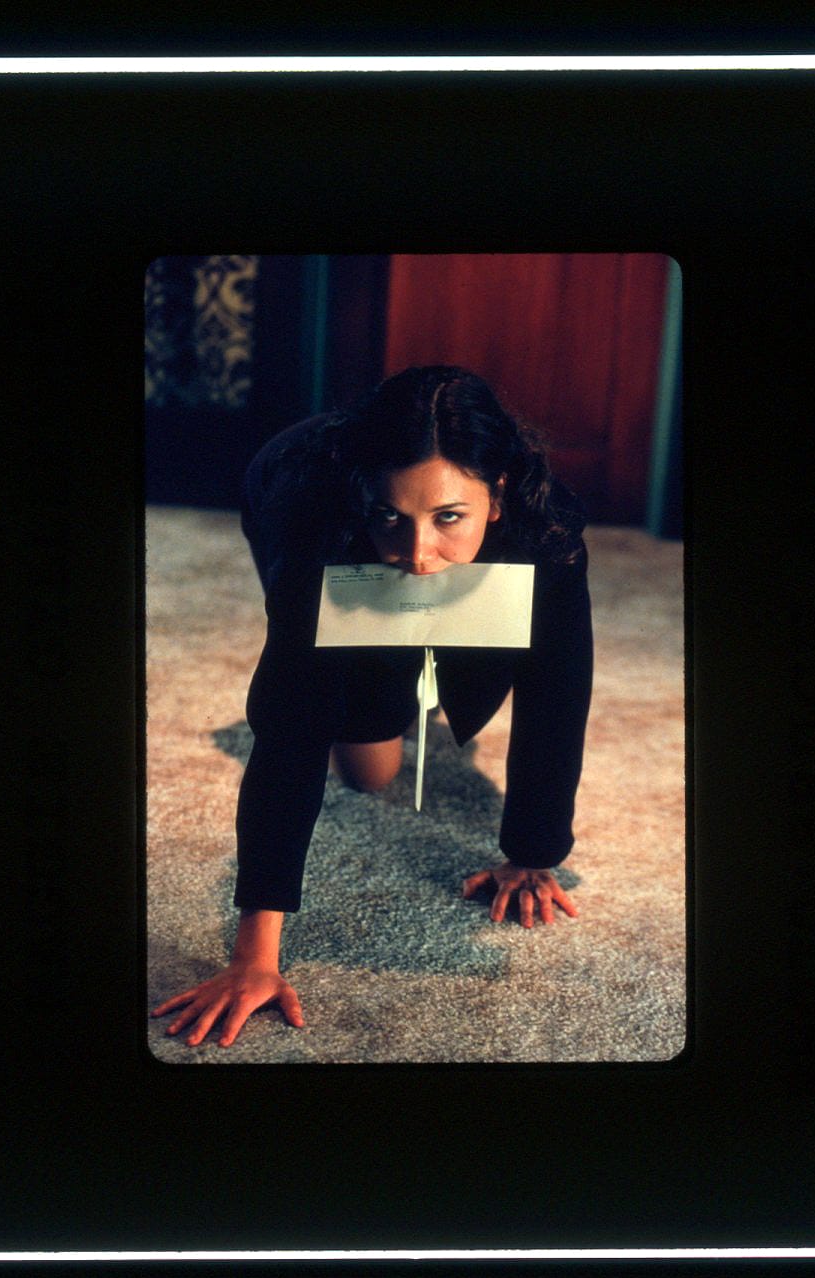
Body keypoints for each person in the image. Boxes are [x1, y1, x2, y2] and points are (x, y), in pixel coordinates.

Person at [151, 366, 593, 1047]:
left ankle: (413, 646)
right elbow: (291, 727)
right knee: (369, 771)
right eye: (393, 517)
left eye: (448, 518)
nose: (417, 554)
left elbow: (557, 694)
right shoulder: (310, 514)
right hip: (292, 490)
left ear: (499, 495)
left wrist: (534, 852)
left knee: (461, 659)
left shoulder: (548, 523)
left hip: (482, 543)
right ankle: (384, 662)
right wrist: (254, 957)